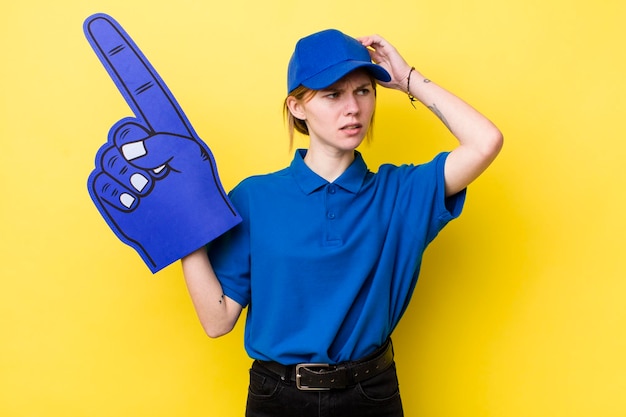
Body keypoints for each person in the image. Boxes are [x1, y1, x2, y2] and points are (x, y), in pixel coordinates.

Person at [181, 29, 503, 417]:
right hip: (277, 399)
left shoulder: (401, 192)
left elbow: (485, 141)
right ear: (297, 107)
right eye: (333, 94)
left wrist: (406, 79)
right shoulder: (253, 198)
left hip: (370, 395)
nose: (353, 108)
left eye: (364, 91)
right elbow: (217, 321)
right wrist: (186, 235)